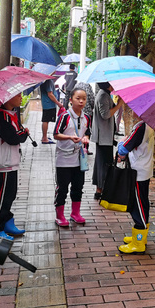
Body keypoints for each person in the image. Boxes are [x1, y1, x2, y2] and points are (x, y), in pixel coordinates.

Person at [0, 93, 29, 240]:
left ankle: (7, 221)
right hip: (4, 163)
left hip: (12, 162)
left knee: (11, 194)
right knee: (3, 196)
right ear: (7, 98)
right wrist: (23, 134)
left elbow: (18, 134)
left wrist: (22, 133)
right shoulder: (3, 117)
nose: (20, 97)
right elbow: (13, 138)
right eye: (18, 95)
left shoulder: (11, 114)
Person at [117, 110, 155, 254]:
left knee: (137, 206)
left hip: (138, 172)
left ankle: (138, 242)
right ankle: (140, 237)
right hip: (144, 171)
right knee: (143, 203)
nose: (132, 110)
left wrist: (122, 142)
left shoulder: (140, 127)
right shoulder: (149, 125)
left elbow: (124, 149)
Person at [53, 87, 91, 227]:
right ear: (71, 100)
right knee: (62, 188)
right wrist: (70, 137)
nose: (81, 101)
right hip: (64, 158)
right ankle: (60, 215)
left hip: (79, 159)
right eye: (78, 98)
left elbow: (88, 132)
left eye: (84, 99)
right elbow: (56, 134)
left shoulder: (86, 117)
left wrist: (85, 138)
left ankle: (75, 213)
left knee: (78, 186)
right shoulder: (64, 116)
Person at [92, 82, 124, 200]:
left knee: (101, 163)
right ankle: (102, 190)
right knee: (104, 164)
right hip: (103, 137)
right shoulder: (103, 96)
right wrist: (119, 105)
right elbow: (105, 115)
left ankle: (100, 190)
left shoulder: (105, 94)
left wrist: (117, 104)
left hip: (105, 136)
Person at [40, 77, 63, 144]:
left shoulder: (45, 80)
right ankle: (44, 138)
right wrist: (58, 103)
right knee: (46, 120)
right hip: (49, 104)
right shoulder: (48, 80)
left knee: (46, 120)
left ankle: (44, 137)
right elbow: (50, 94)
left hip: (46, 103)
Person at [74, 82, 95, 155]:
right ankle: (85, 148)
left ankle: (77, 147)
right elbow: (92, 99)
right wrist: (92, 107)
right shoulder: (88, 86)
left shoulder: (76, 85)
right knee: (86, 131)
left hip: (77, 111)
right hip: (87, 113)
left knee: (78, 129)